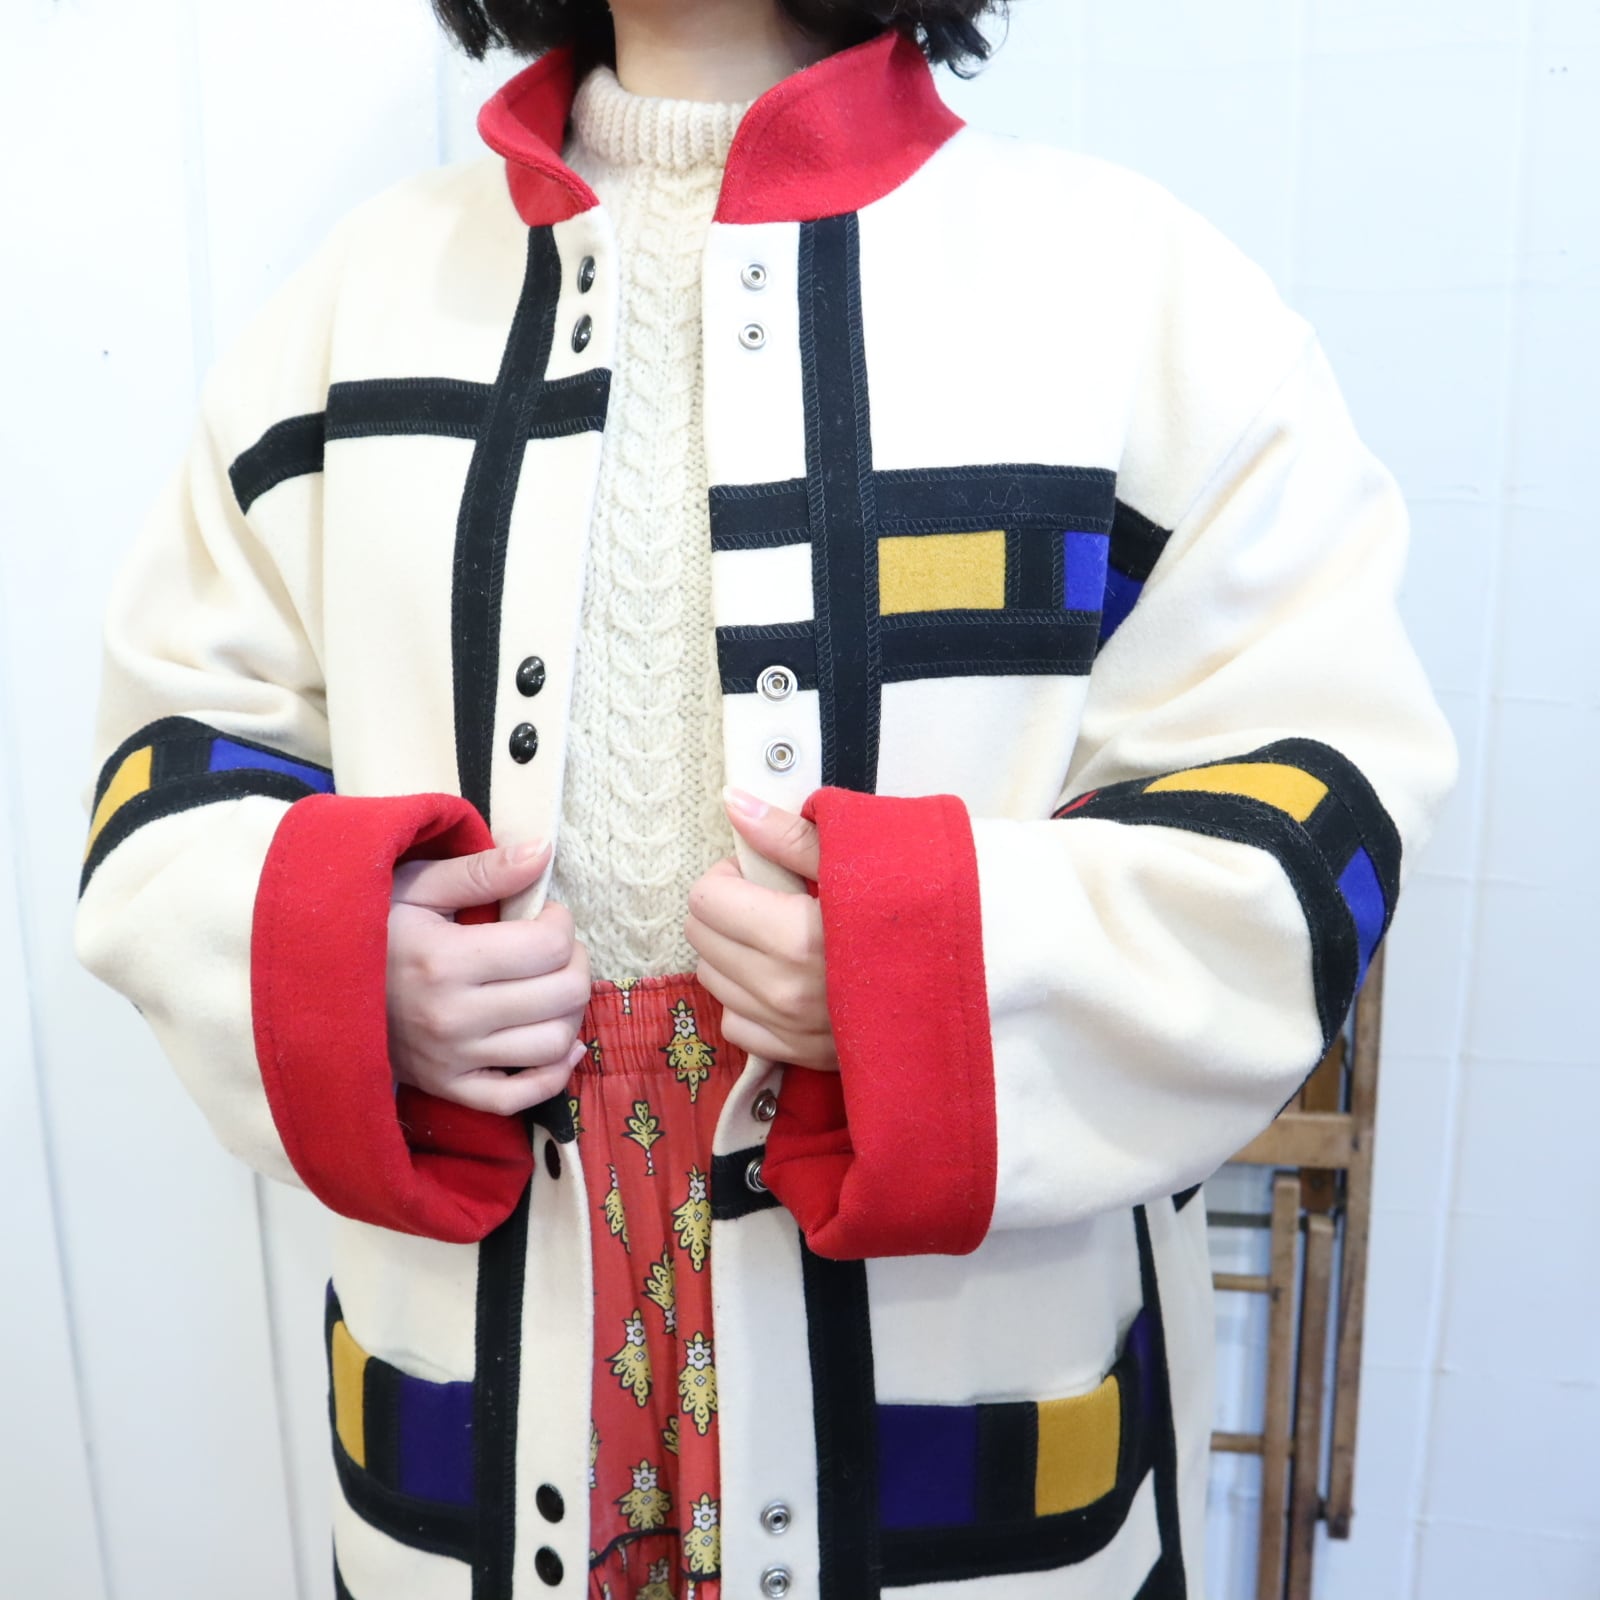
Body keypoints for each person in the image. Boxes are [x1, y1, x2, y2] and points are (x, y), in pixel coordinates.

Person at [74, 1, 1456, 1596]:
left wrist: (924, 975)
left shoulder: (1140, 302)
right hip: (472, 1387)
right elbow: (168, 763)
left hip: (961, 1396)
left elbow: (1317, 815)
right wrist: (342, 964)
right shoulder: (346, 310)